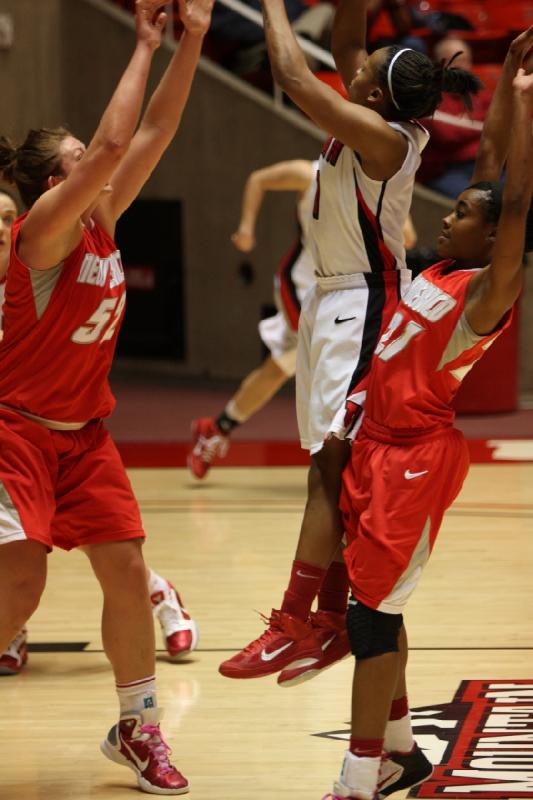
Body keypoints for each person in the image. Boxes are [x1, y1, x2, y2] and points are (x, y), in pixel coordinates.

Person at [219, 0, 479, 696]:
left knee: (328, 468)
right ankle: (330, 617)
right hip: (332, 302)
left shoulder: (382, 139)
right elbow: (344, 34)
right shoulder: (370, 115)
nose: (351, 66)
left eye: (360, 69)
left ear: (371, 92)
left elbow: (291, 72)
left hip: (362, 303)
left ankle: (296, 619)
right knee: (330, 470)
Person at [0, 0, 212, 793]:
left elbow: (152, 133)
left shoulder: (103, 218)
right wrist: (145, 39)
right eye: (84, 156)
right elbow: (122, 138)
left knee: (127, 574)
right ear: (59, 180)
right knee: (20, 587)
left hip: (85, 438)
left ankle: (138, 727)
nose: (104, 160)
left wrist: (190, 40)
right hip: (16, 433)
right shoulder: (45, 232)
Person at [326, 27, 533, 800]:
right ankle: (403, 752)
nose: (448, 215)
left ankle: (356, 777)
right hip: (375, 448)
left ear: (494, 237)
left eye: (466, 215)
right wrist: (508, 76)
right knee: (379, 609)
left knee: (370, 624)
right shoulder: (447, 264)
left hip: (413, 462)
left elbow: (511, 200)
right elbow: (486, 179)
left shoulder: (486, 295)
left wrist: (525, 108)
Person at [188, 158, 317, 479]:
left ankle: (217, 428)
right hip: (302, 284)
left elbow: (408, 235)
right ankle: (342, 458)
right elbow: (258, 178)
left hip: (340, 289)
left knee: (278, 369)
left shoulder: (373, 178)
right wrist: (246, 227)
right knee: (323, 360)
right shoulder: (310, 173)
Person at [417, 37, 493, 199]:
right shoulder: (428, 96)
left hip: (483, 165)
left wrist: (460, 123)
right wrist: (477, 126)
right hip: (445, 171)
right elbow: (446, 136)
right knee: (477, 201)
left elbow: (496, 129)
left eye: (465, 61)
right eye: (453, 61)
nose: (460, 67)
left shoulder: (481, 95)